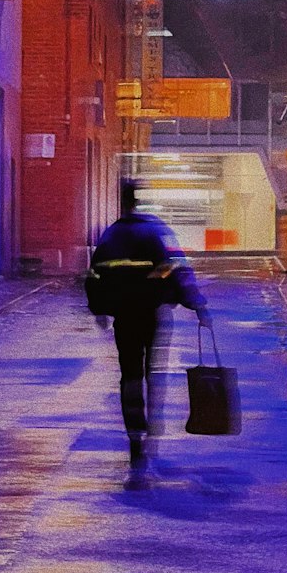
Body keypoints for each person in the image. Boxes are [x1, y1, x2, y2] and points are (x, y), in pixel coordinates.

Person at [87, 180, 211, 468]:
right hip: (153, 314)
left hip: (124, 317)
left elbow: (95, 276)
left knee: (130, 375)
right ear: (139, 201)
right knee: (153, 372)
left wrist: (100, 310)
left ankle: (135, 435)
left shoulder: (111, 235)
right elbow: (177, 268)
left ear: (122, 202)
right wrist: (197, 304)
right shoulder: (156, 231)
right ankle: (152, 432)